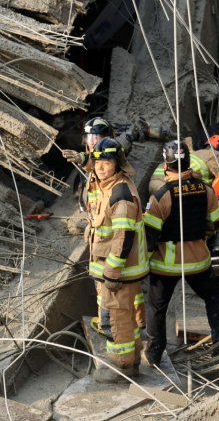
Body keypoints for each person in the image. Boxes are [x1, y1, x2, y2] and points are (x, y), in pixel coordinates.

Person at [142, 141, 219, 366]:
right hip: (198, 261)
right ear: (188, 162)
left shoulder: (161, 195)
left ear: (166, 166)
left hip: (165, 265)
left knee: (156, 308)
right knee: (213, 297)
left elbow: (149, 234)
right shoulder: (206, 189)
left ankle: (153, 354)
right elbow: (218, 219)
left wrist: (143, 263)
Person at [85, 138, 149, 382]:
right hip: (116, 270)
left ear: (118, 164)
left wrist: (112, 272)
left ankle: (121, 367)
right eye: (97, 162)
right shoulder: (108, 185)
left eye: (107, 162)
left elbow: (123, 236)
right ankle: (131, 361)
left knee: (114, 318)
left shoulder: (120, 193)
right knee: (125, 318)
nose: (100, 168)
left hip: (119, 272)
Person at [148, 138, 219, 194]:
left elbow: (154, 186)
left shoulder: (194, 154)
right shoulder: (212, 155)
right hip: (196, 192)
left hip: (160, 184)